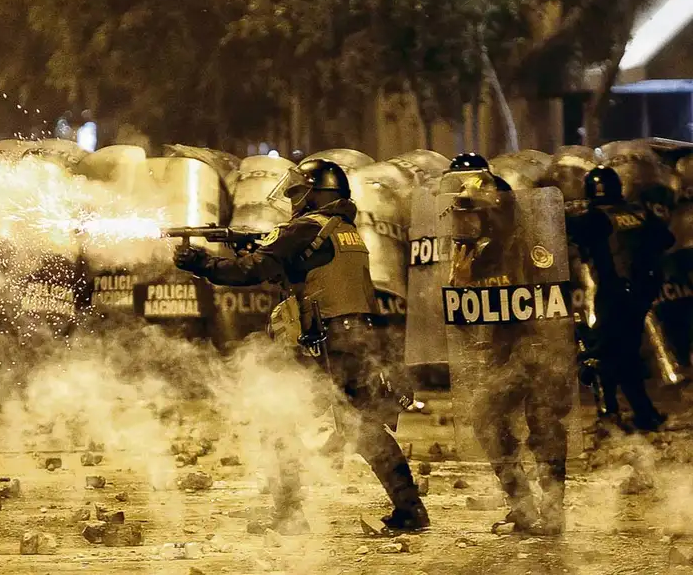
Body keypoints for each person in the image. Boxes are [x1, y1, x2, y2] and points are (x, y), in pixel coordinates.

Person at [173, 158, 429, 533]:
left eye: (298, 192)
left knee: (277, 417)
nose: (294, 199)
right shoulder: (344, 231)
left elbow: (248, 272)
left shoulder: (304, 229)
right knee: (364, 428)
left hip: (324, 341)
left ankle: (289, 515)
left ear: (314, 196)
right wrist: (256, 248)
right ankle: (411, 509)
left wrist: (201, 263)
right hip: (357, 338)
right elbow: (304, 270)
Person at [442, 154, 574, 536]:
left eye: (477, 214)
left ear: (495, 213)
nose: (469, 222)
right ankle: (523, 506)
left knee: (544, 426)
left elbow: (550, 304)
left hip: (542, 352)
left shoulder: (530, 248)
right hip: (508, 354)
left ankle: (550, 512)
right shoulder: (480, 254)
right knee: (487, 417)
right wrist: (459, 280)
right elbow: (464, 319)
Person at [568, 165, 674, 431]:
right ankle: (644, 413)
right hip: (640, 295)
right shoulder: (639, 212)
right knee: (625, 355)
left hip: (611, 293)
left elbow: (566, 231)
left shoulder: (595, 218)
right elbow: (666, 239)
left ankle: (608, 415)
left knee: (597, 353)